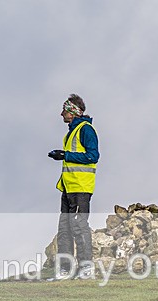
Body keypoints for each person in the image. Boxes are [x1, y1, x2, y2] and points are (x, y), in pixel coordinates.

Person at [47, 94, 100, 280]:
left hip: (81, 188)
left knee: (78, 226)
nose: (61, 113)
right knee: (64, 229)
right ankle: (66, 270)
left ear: (73, 111)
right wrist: (63, 155)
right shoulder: (70, 133)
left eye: (64, 110)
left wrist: (65, 155)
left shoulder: (86, 130)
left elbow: (93, 156)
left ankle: (86, 268)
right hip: (68, 188)